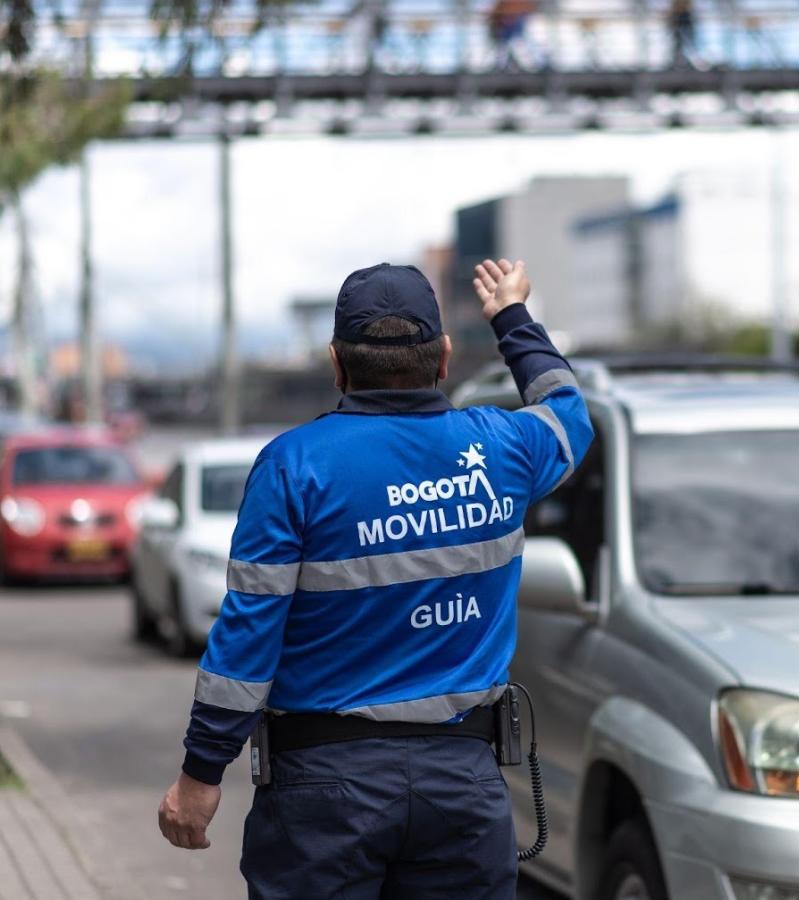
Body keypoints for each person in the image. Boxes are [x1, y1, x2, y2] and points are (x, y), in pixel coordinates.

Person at [156, 259, 593, 899]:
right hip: (462, 789)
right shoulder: (505, 448)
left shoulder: (292, 467)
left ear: (337, 363)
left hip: (321, 799)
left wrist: (201, 773)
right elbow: (568, 411)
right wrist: (511, 317)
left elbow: (246, 644)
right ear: (445, 358)